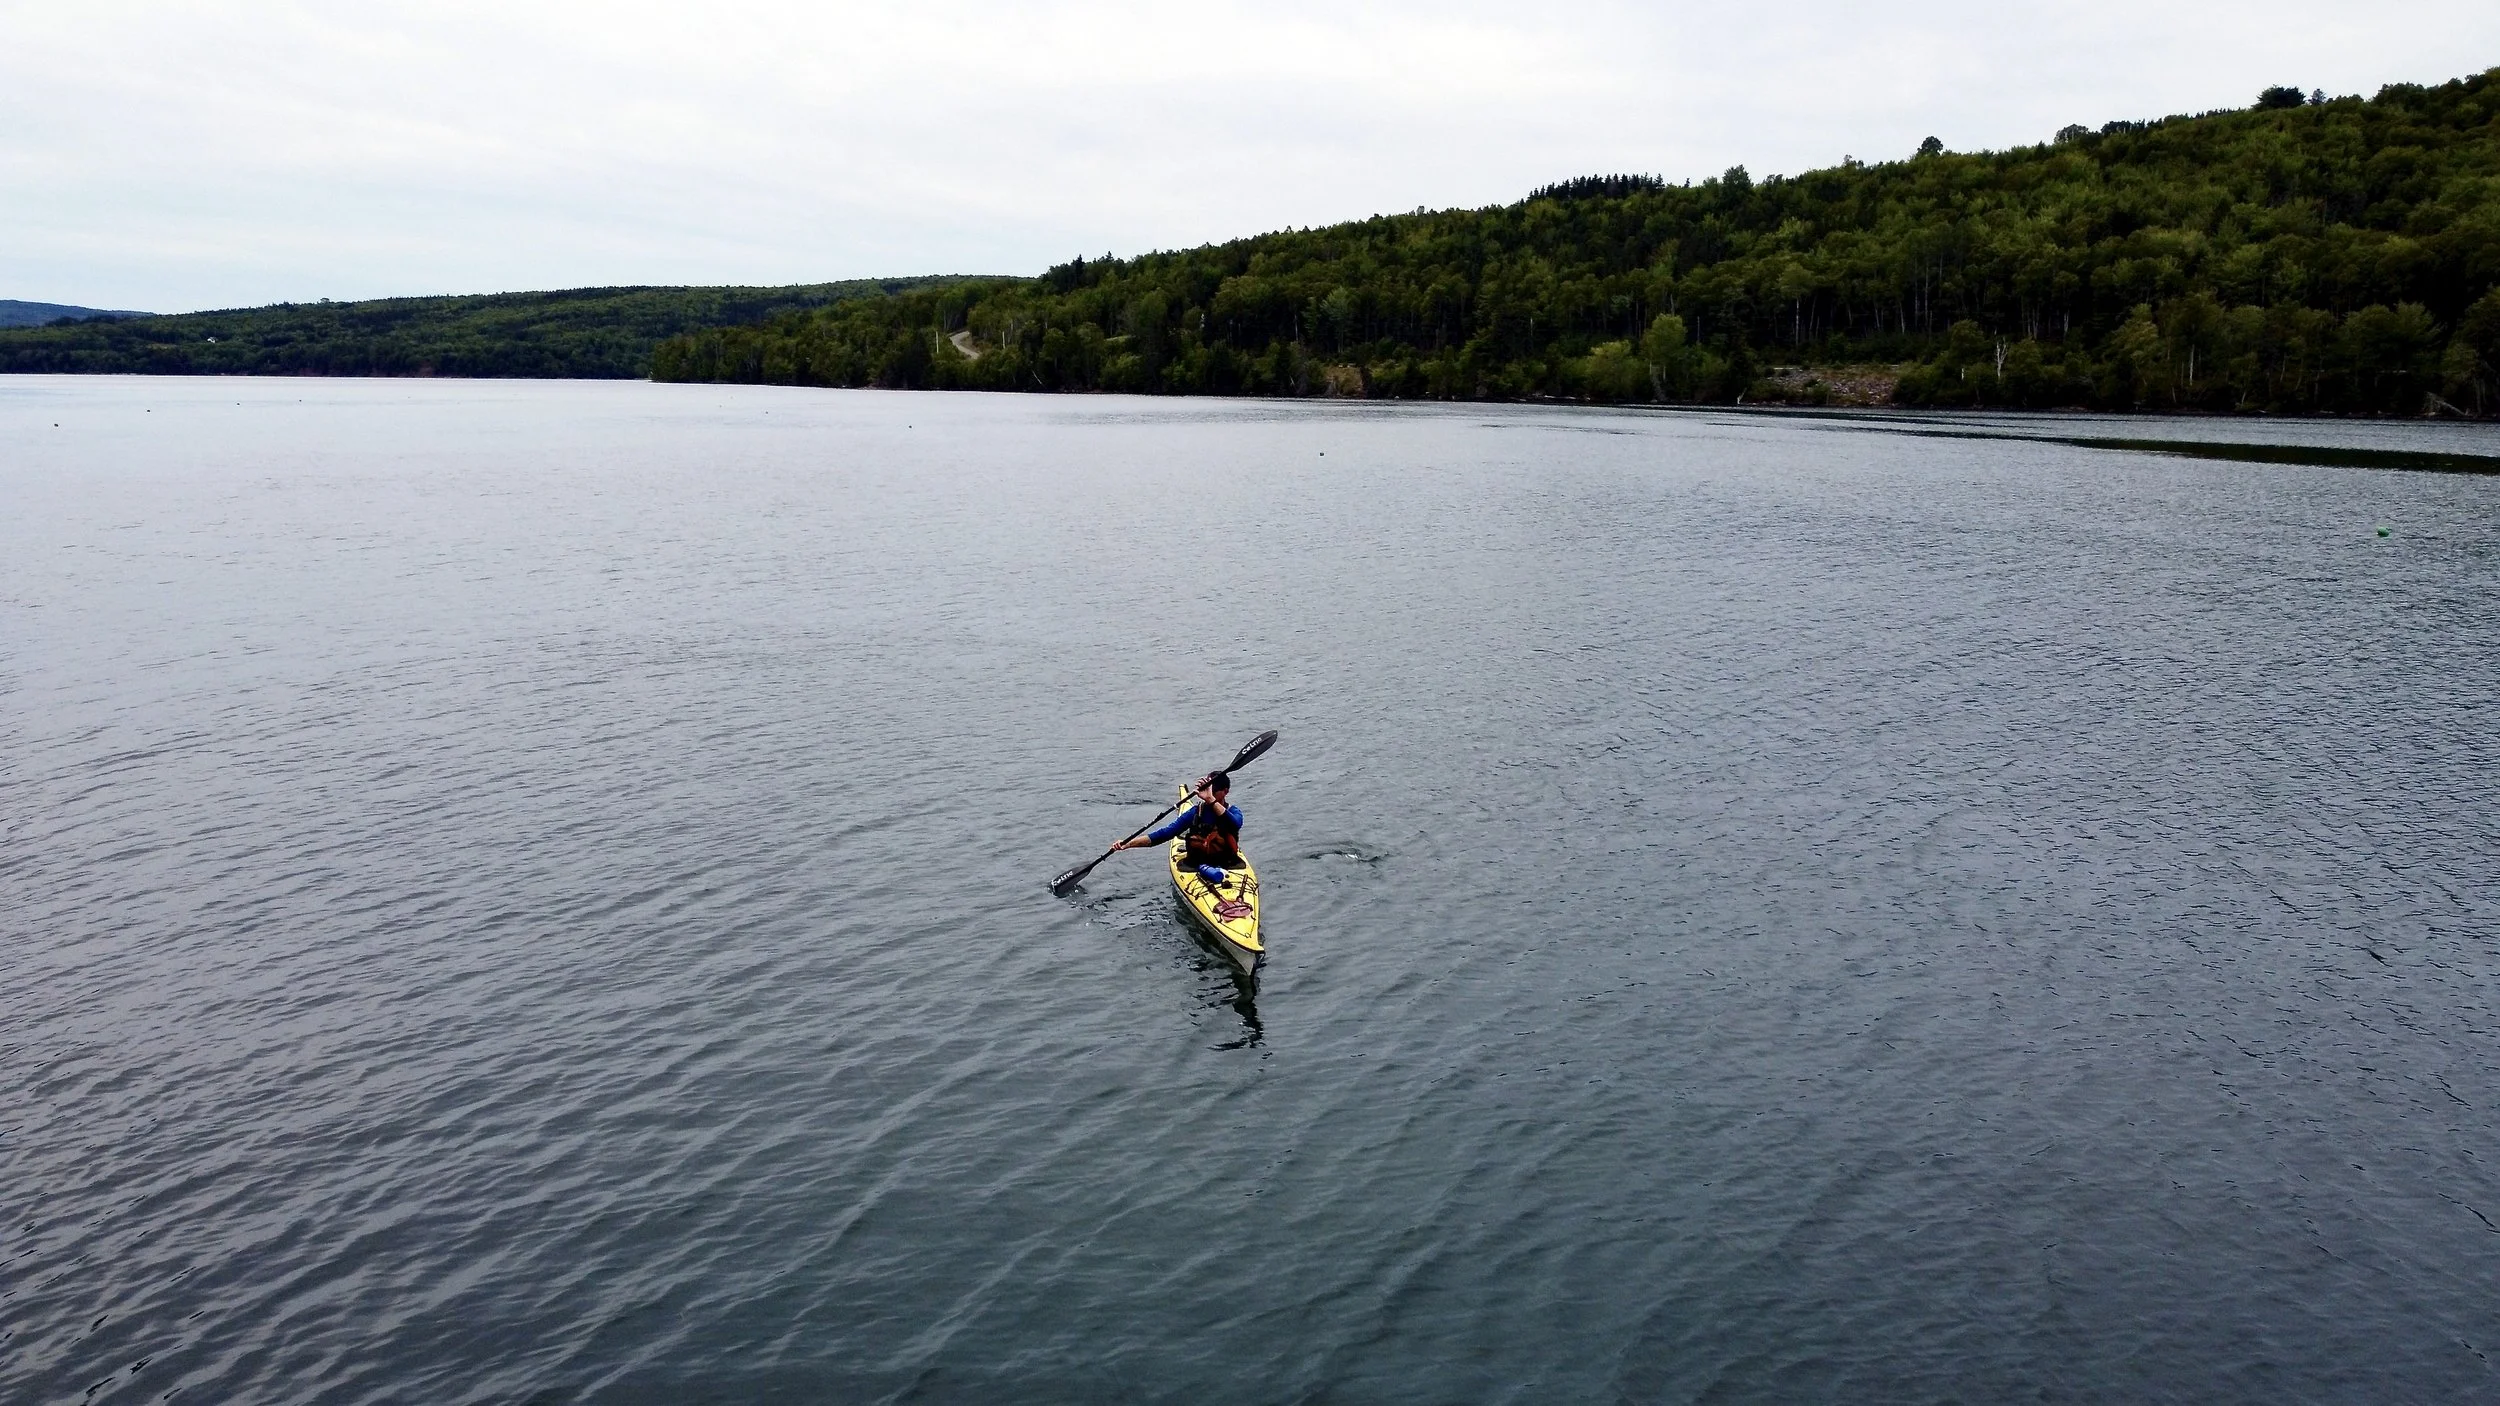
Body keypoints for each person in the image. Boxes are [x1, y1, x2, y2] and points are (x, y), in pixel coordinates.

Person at [1118, 771, 1242, 887]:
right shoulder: (1195, 812)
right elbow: (1165, 834)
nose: (1209, 794)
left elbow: (1234, 825)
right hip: (1195, 865)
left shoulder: (1233, 812)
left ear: (1225, 791)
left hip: (1229, 864)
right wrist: (1128, 844)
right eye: (1207, 789)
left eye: (1213, 791)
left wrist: (1211, 800)